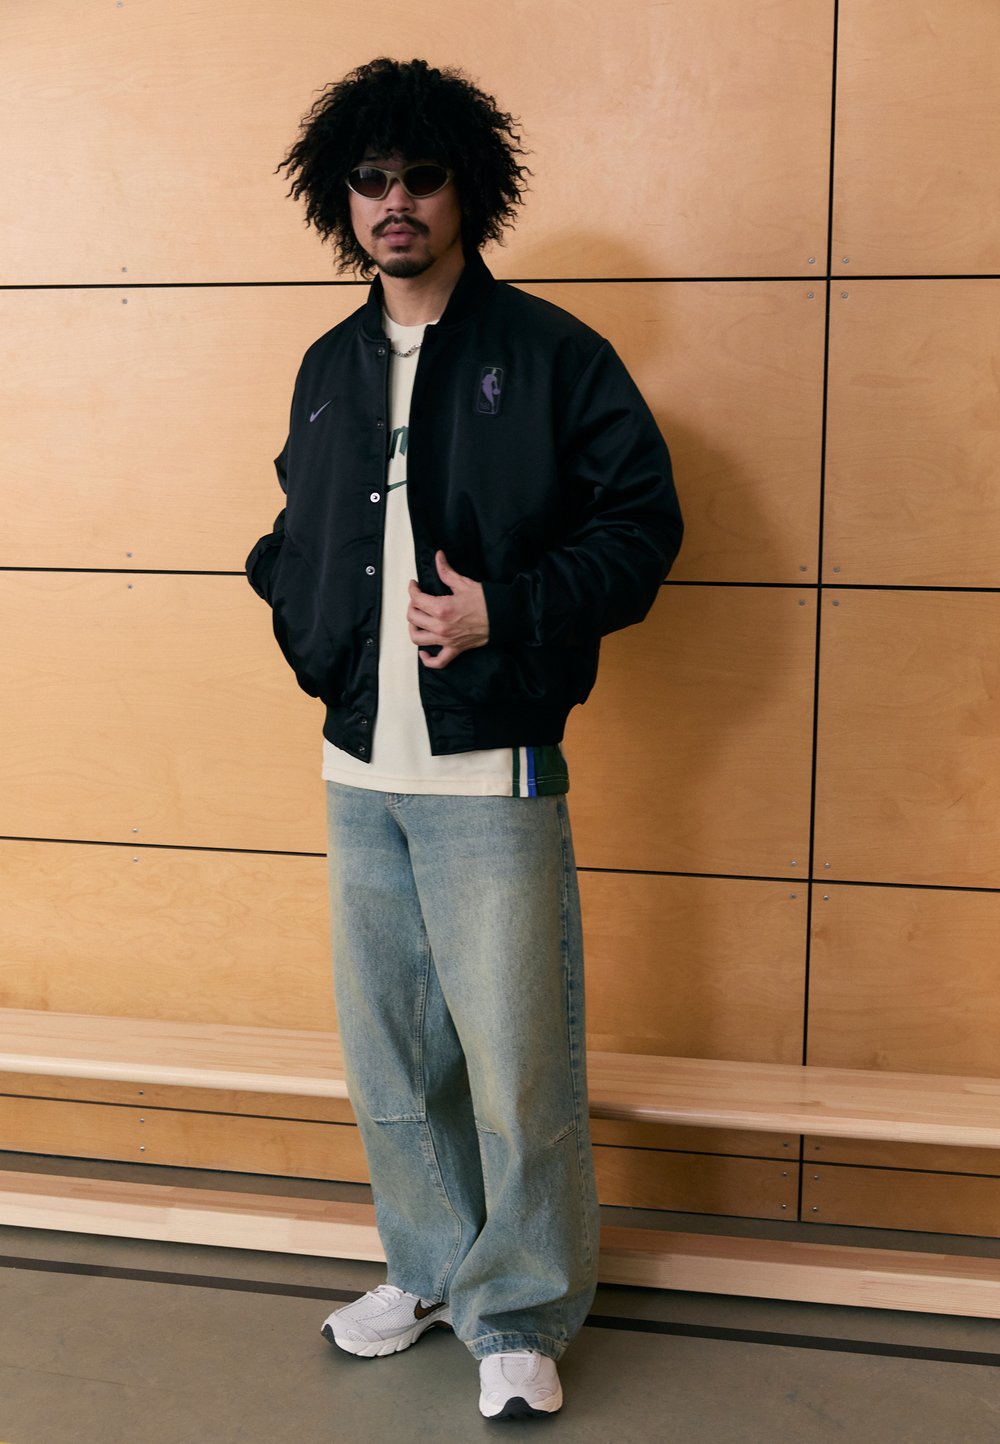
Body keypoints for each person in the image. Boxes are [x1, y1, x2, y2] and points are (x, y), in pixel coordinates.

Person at [246, 56, 682, 1421]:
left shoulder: (550, 356)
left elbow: (643, 529)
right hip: (356, 766)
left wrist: (508, 612)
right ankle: (429, 1268)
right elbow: (296, 530)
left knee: (514, 1059)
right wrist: (306, 616)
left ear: (465, 190)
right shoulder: (329, 366)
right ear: (341, 197)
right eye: (371, 179)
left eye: (421, 176)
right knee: (392, 1053)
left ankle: (523, 1309)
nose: (396, 201)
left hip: (490, 765)